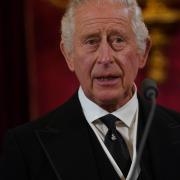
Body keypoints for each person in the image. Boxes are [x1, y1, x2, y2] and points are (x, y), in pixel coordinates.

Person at [0, 0, 180, 179]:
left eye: (118, 40)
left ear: (143, 52)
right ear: (69, 55)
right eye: (91, 41)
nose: (105, 58)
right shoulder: (26, 147)